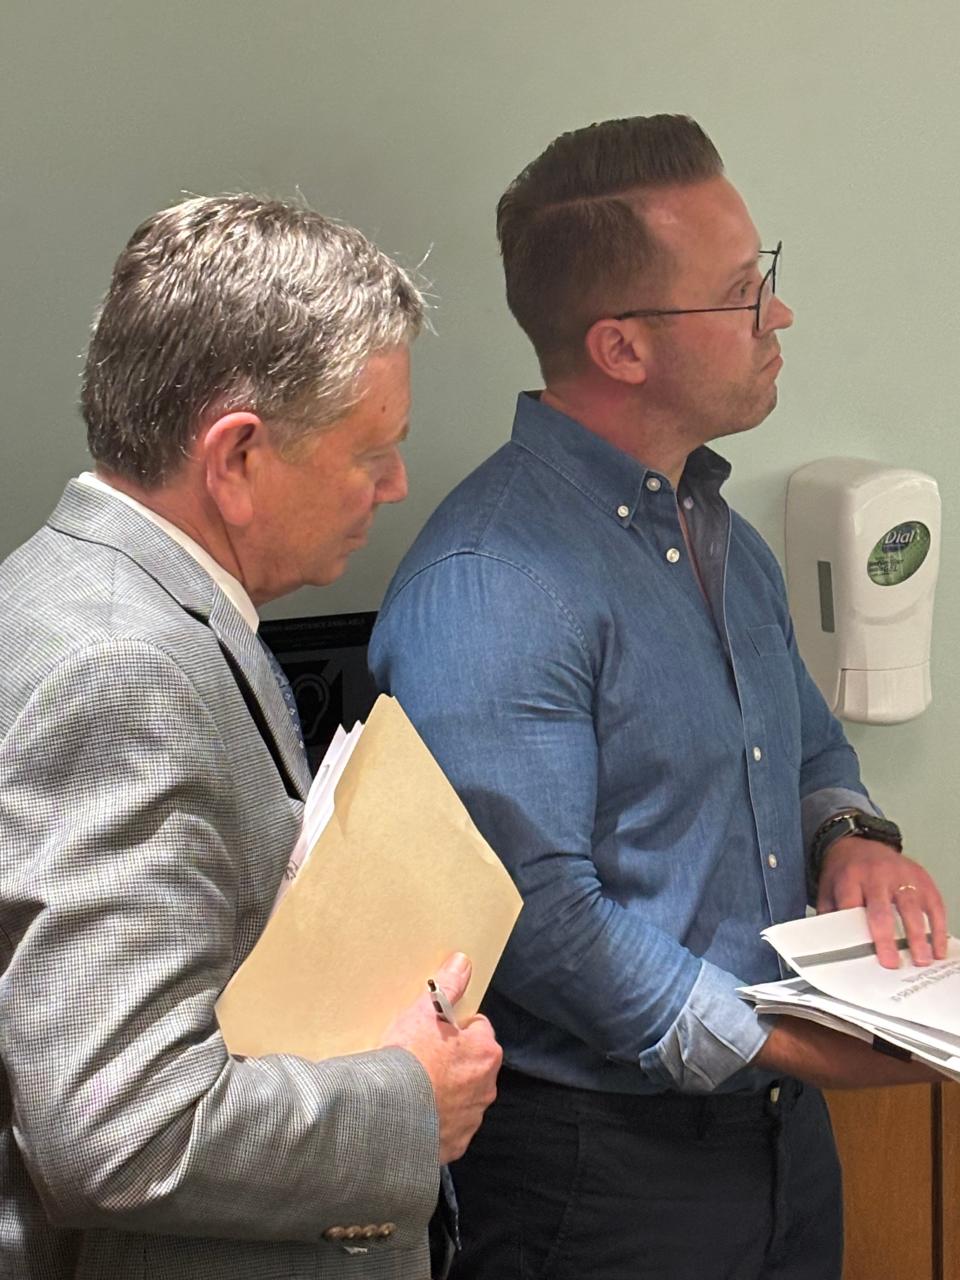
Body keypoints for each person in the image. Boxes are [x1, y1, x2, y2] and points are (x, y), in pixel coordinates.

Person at [368, 115, 949, 1279]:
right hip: (597, 1176)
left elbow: (808, 745)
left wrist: (852, 834)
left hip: (777, 1140)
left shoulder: (714, 531)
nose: (777, 315)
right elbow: (533, 918)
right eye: (743, 292)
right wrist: (790, 1039)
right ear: (623, 348)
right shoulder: (493, 581)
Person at [0, 194, 501, 1280]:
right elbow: (118, 1125)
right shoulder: (125, 668)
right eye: (373, 450)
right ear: (235, 457)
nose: (398, 484)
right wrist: (409, 1098)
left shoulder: (65, 594)